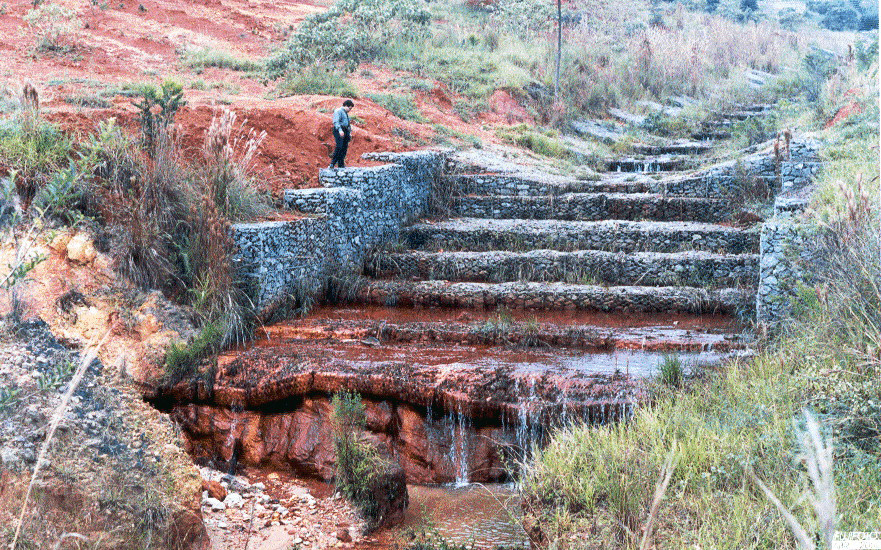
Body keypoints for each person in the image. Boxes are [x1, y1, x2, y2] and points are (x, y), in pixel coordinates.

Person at [329, 99, 354, 169]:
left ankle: (341, 164)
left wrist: (349, 133)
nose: (350, 110)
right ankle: (332, 163)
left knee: (344, 147)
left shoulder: (346, 113)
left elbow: (348, 124)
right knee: (339, 146)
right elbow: (336, 122)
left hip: (345, 130)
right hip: (339, 130)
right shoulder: (338, 111)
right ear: (346, 106)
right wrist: (340, 130)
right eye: (349, 108)